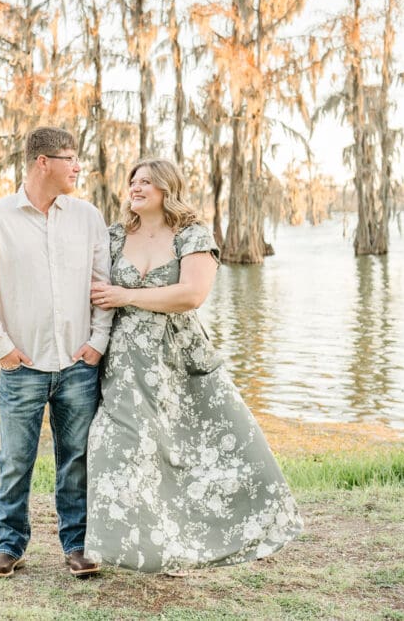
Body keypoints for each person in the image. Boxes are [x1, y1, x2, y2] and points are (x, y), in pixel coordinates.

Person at [85, 158, 303, 575]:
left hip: (178, 356)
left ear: (168, 187)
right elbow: (95, 291)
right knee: (118, 444)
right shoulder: (113, 237)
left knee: (184, 447)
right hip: (125, 361)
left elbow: (191, 295)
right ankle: (126, 546)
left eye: (147, 181)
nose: (136, 186)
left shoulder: (192, 234)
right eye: (132, 181)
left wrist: (125, 296)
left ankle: (197, 538)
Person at [0, 126, 114, 579]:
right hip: (22, 366)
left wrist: (97, 343)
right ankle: (9, 544)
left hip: (77, 364)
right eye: (69, 158)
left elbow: (101, 285)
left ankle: (77, 545)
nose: (77, 166)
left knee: (76, 461)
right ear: (42, 163)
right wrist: (3, 350)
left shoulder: (87, 217)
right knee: (15, 461)